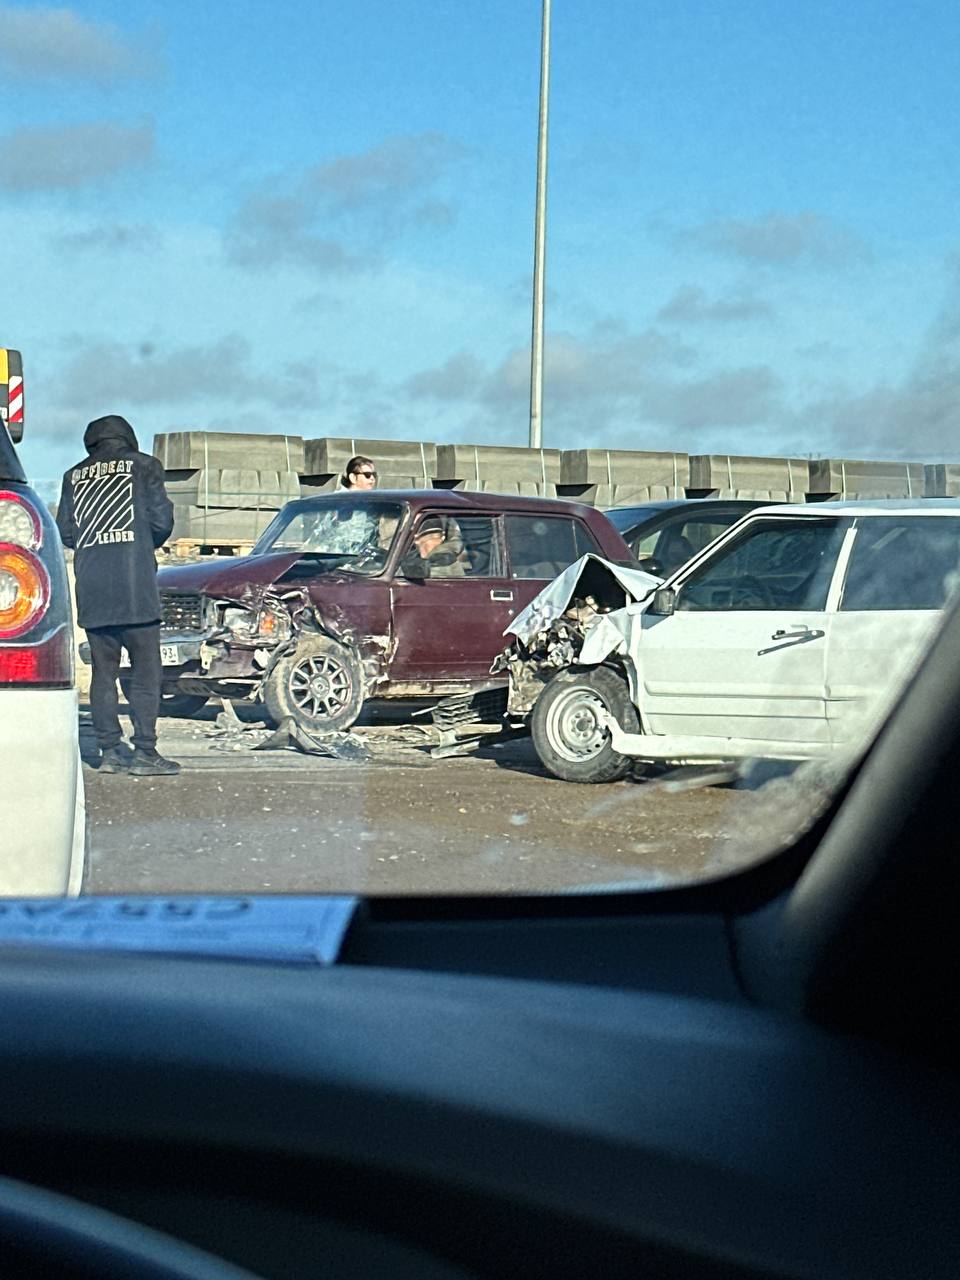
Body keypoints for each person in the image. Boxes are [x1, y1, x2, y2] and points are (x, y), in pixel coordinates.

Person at [56, 414, 180, 777]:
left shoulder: (72, 476)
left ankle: (109, 751)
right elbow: (161, 523)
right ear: (127, 437)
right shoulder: (145, 466)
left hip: (94, 589)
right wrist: (139, 543)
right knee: (145, 673)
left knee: (102, 674)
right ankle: (145, 751)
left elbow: (66, 532)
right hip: (135, 586)